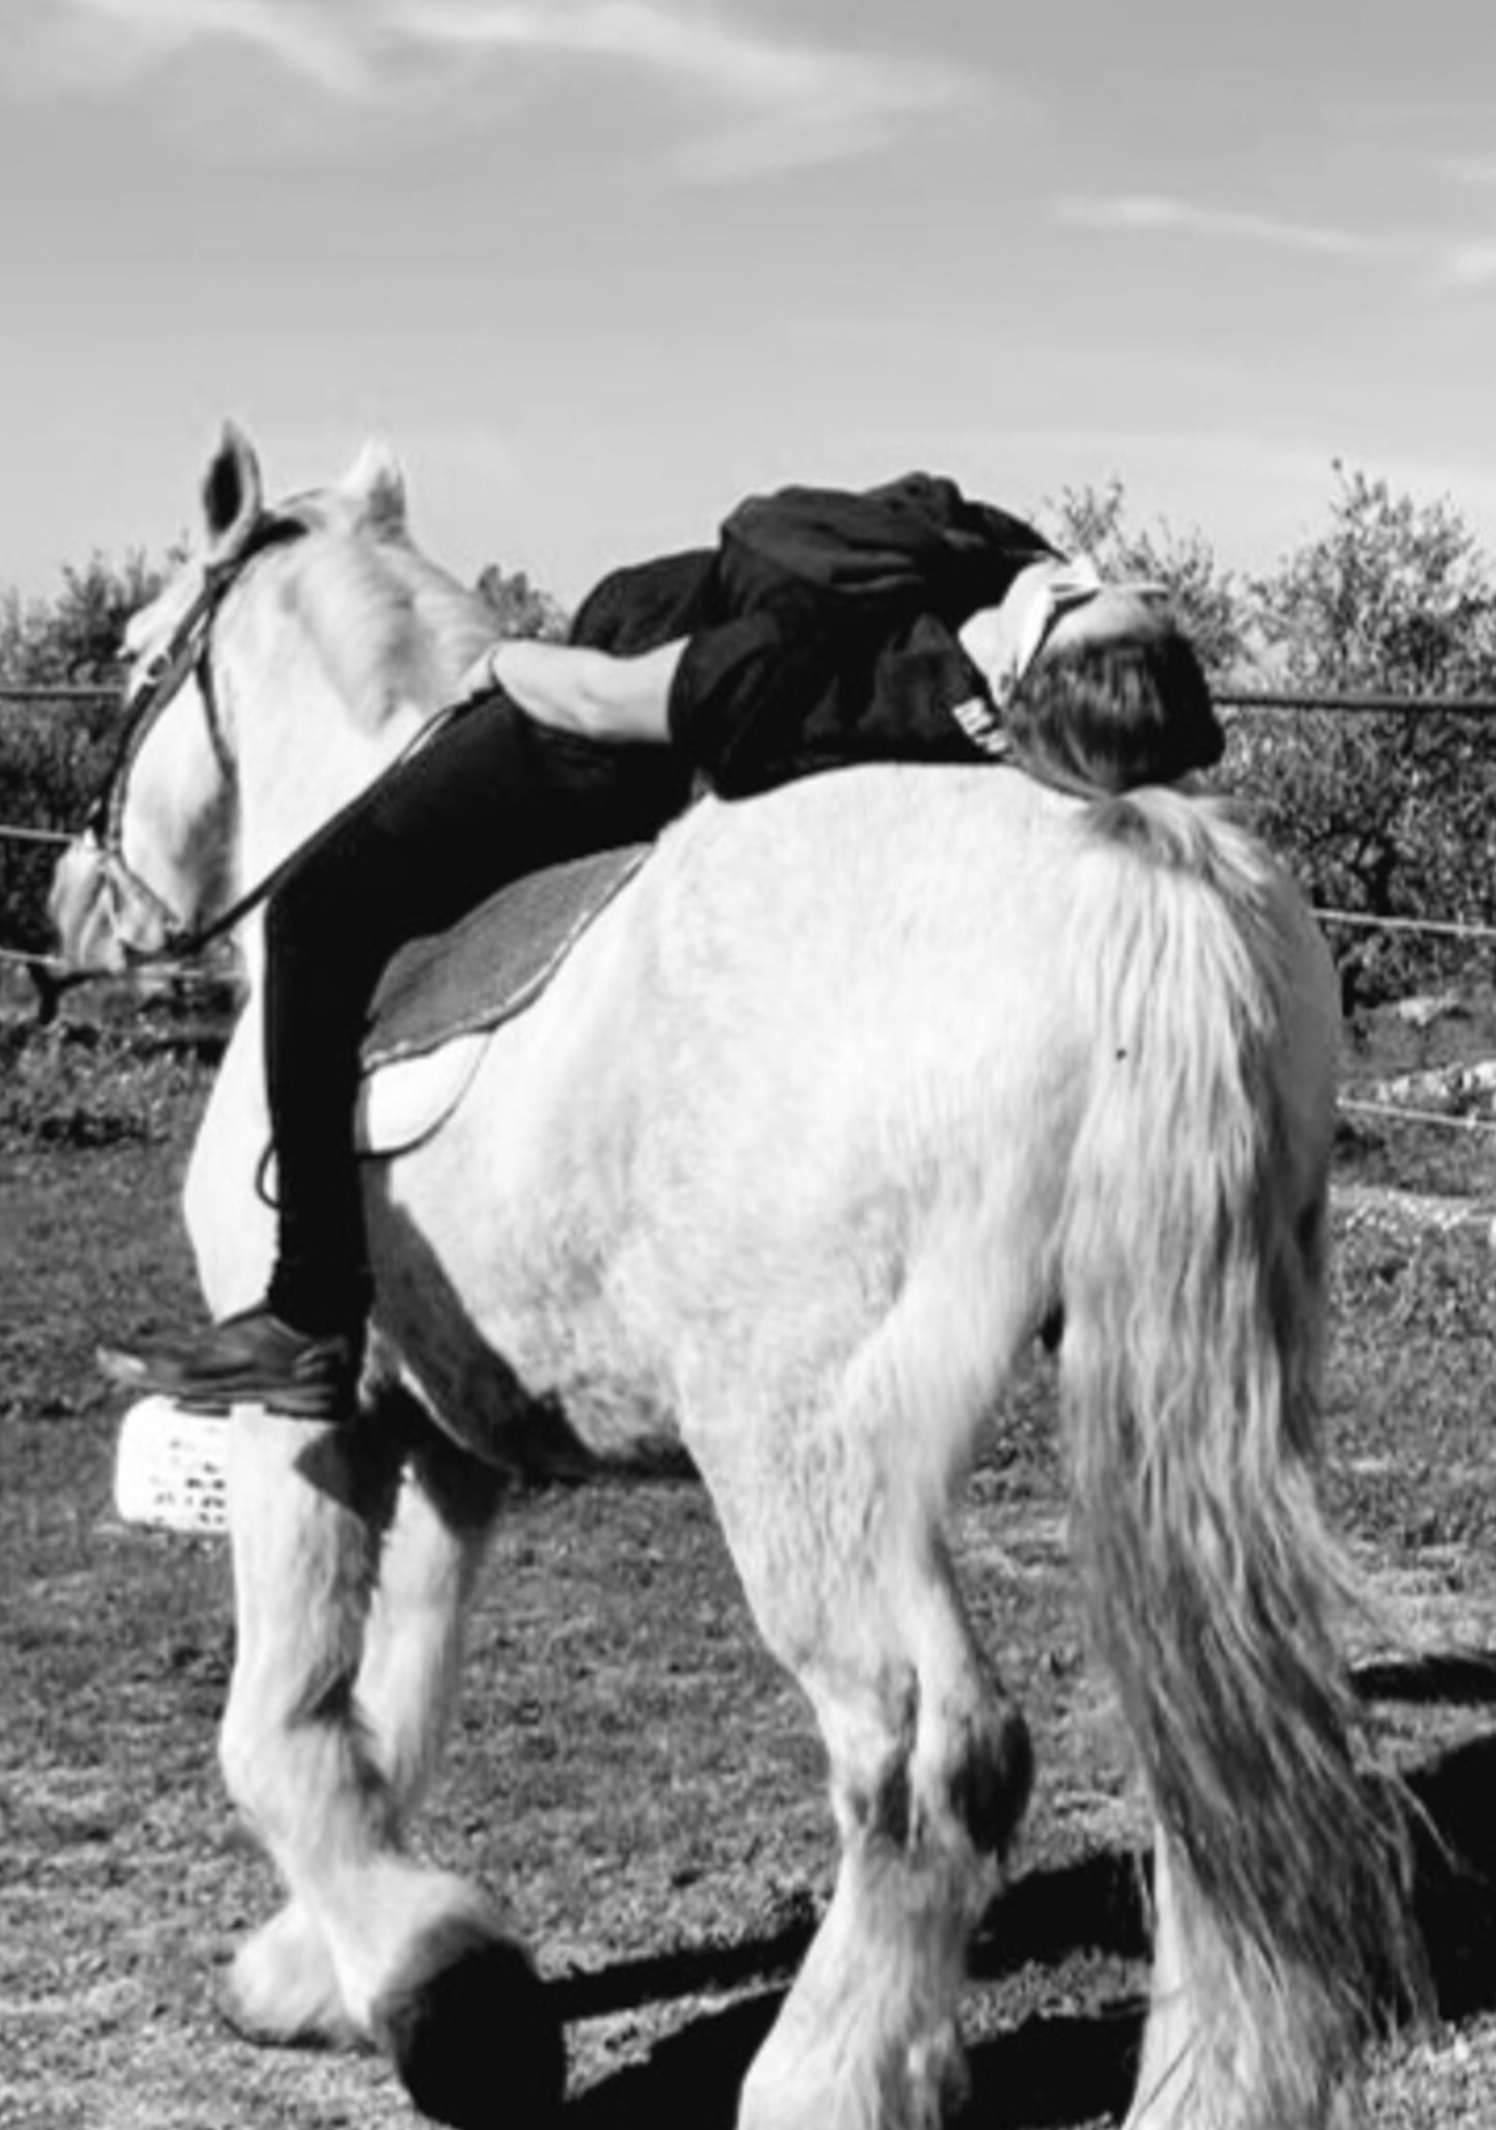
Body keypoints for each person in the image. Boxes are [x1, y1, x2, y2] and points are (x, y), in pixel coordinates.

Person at [104, 473, 1225, 1422]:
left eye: (1090, 598)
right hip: (645, 663)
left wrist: (503, 666)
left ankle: (310, 1312)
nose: (1093, 578)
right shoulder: (1006, 576)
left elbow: (601, 702)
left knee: (313, 913)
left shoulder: (821, 660)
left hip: (583, 733)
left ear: (1027, 659)